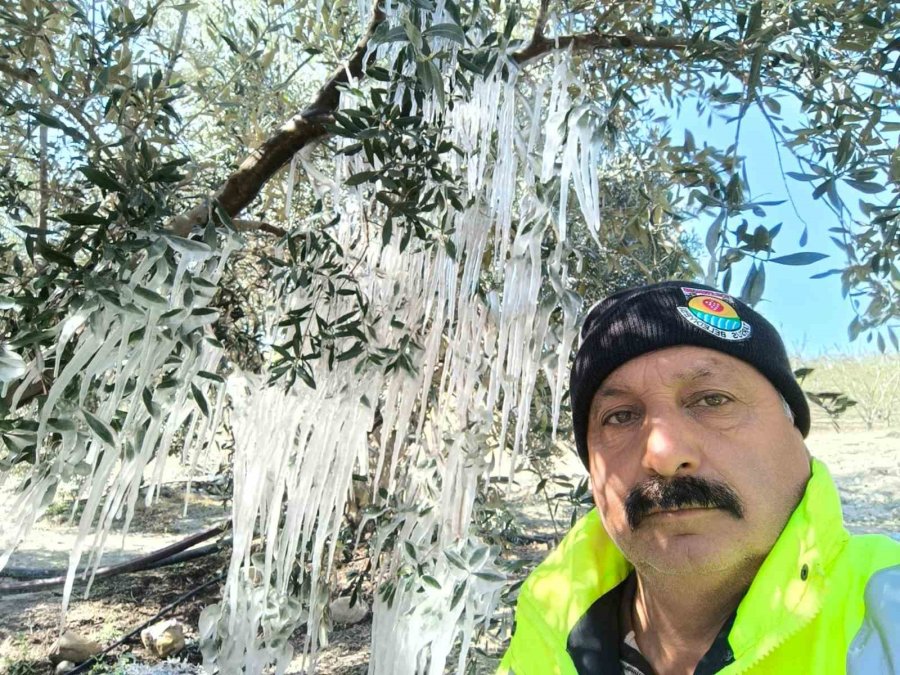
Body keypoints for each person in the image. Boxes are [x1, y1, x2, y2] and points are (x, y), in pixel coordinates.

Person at [497, 281, 900, 675]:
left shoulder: (885, 604)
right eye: (620, 416)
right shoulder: (548, 618)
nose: (664, 454)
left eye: (713, 400)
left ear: (796, 435)